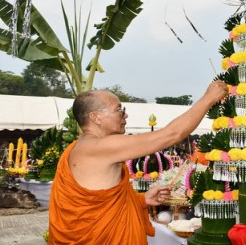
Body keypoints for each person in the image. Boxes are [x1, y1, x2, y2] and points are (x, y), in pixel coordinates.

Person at [48, 80, 228, 244]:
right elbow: (171, 135)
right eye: (119, 110)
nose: (125, 116)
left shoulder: (79, 147)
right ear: (96, 117)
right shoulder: (96, 147)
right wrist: (208, 99)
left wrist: (142, 199)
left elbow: (101, 196)